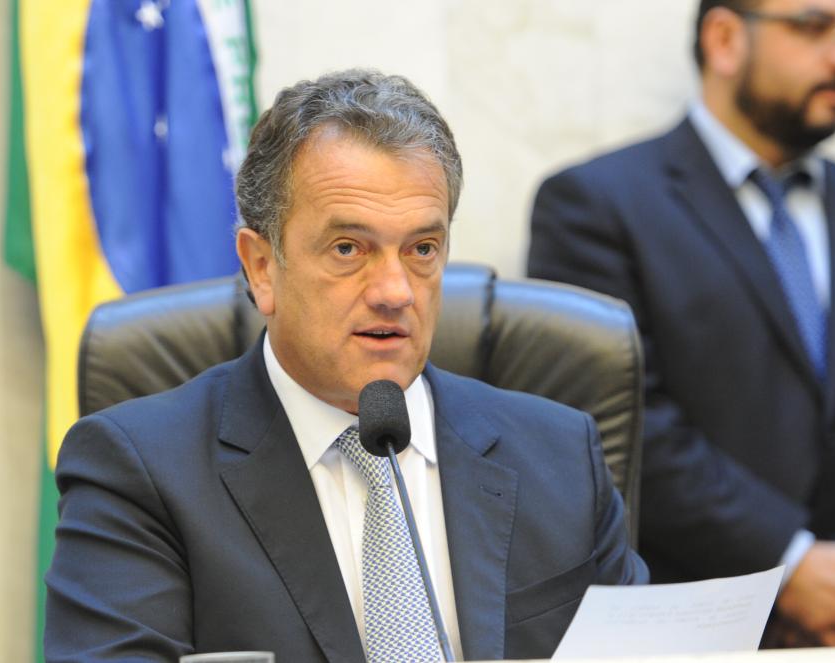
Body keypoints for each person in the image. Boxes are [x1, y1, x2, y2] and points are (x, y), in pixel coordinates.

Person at [45, 69, 646, 662]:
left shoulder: (562, 458)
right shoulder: (139, 473)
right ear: (261, 268)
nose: (395, 291)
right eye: (348, 249)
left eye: (422, 249)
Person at [528, 0, 835, 647]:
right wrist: (790, 560)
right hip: (695, 622)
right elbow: (616, 422)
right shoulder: (596, 204)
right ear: (724, 39)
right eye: (813, 27)